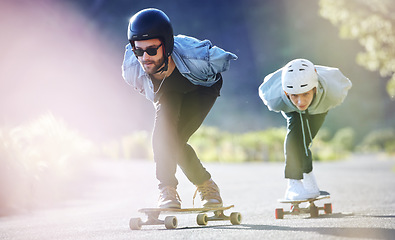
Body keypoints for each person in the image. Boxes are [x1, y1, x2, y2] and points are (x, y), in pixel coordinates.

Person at [122, 8, 237, 208]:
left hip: (202, 89)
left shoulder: (198, 57)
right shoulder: (131, 70)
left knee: (175, 140)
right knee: (165, 136)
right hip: (168, 93)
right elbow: (144, 89)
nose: (144, 57)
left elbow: (224, 60)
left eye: (151, 50)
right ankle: (168, 190)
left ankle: (206, 185)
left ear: (166, 45)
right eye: (138, 50)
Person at [258, 58, 352, 200]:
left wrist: (306, 100)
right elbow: (292, 101)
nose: (300, 101)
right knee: (296, 134)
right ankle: (293, 184)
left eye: (305, 94)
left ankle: (309, 180)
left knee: (305, 139)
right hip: (290, 107)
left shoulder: (333, 91)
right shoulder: (274, 97)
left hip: (319, 105)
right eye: (295, 95)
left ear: (314, 89)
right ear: (286, 92)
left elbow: (343, 85)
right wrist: (294, 100)